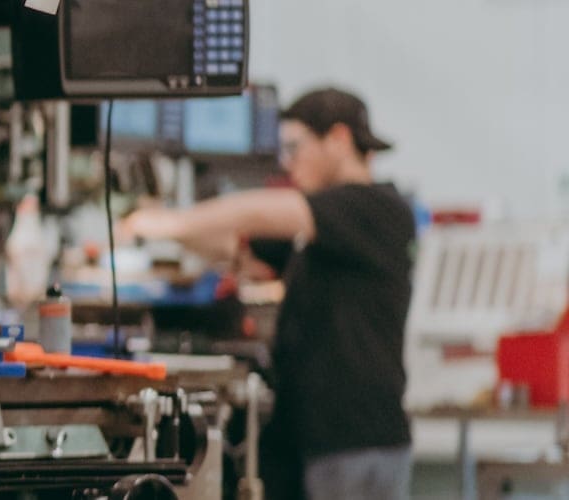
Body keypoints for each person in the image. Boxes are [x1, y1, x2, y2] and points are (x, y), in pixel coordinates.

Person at [124, 88, 414, 500]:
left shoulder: (375, 208)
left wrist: (173, 222)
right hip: (314, 438)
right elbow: (238, 250)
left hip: (356, 442)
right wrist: (159, 225)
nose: (287, 161)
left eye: (295, 147)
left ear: (338, 139)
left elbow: (265, 211)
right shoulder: (320, 231)